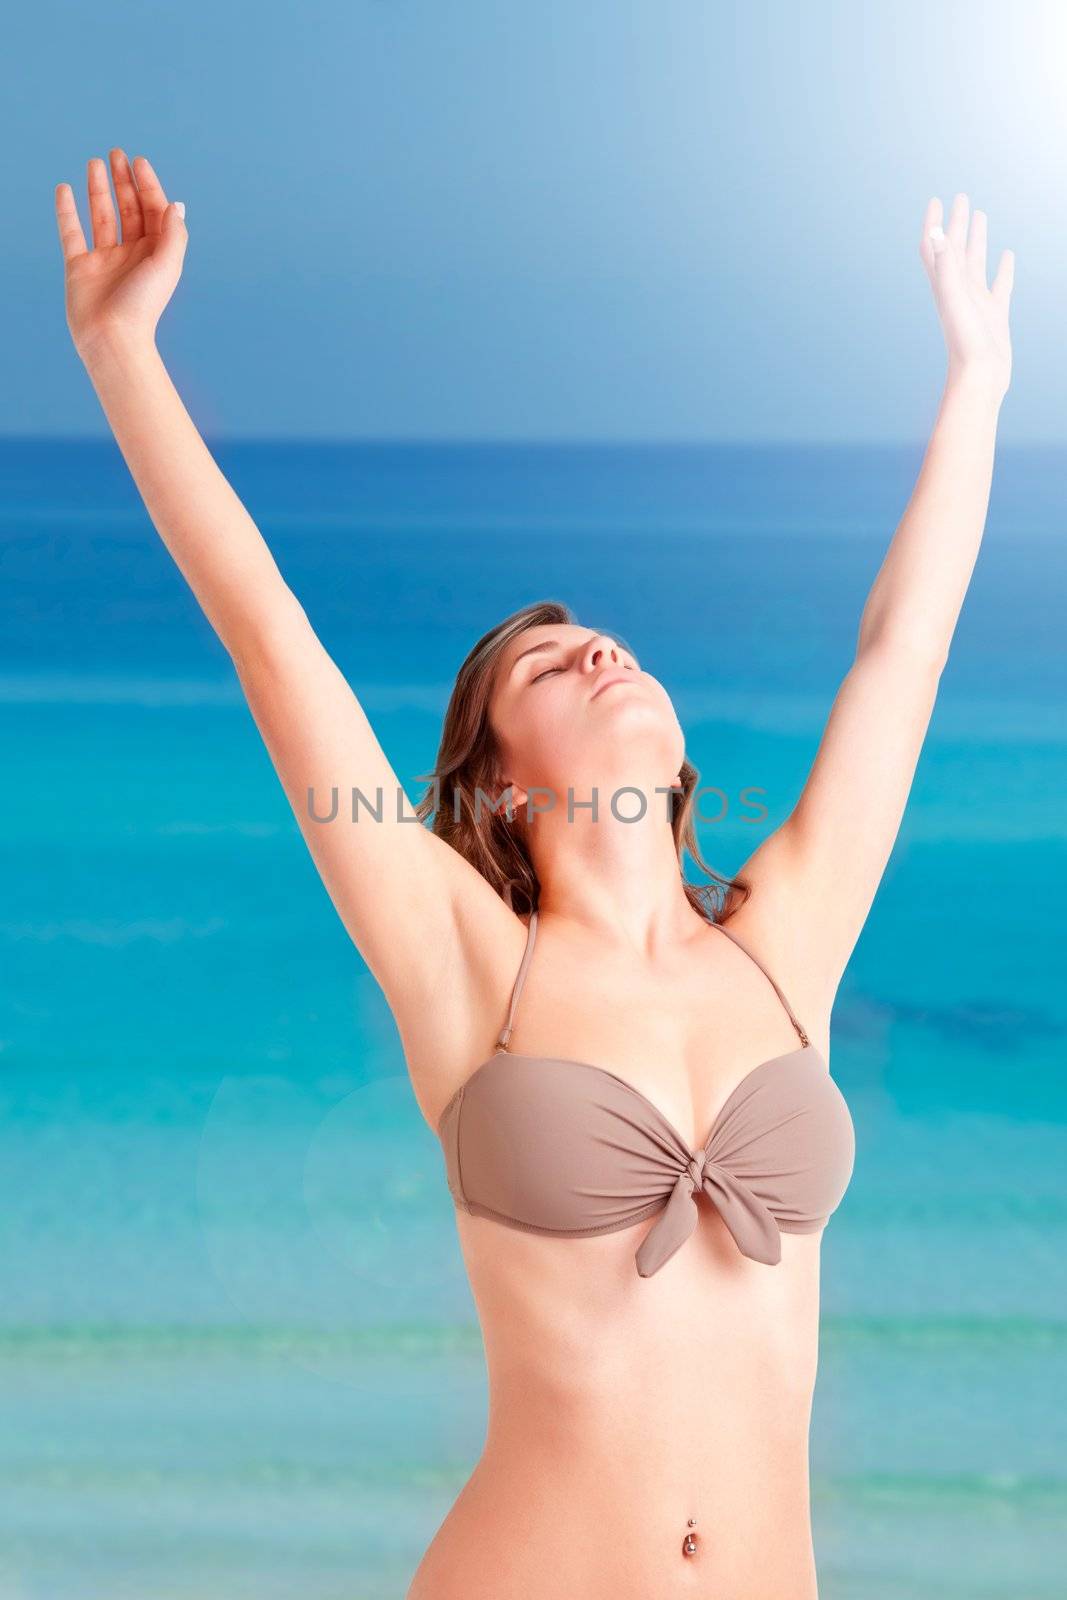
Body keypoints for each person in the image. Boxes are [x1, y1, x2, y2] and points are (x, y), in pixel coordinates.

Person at [54, 153, 1013, 1598]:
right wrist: (119, 350)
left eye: (608, 642)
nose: (597, 650)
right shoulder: (472, 969)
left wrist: (980, 387)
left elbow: (906, 650)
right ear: (501, 778)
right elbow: (270, 632)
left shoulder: (781, 944)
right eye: (549, 666)